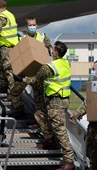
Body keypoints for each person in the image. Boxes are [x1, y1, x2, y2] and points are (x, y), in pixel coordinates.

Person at [32, 41, 75, 170]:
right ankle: (50, 141)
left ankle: (69, 161)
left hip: (56, 101)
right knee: (40, 115)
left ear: (55, 52)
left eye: (53, 50)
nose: (51, 51)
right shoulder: (66, 63)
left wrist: (22, 78)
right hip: (61, 100)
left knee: (60, 130)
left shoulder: (49, 67)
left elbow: (37, 79)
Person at [0, 0, 25, 114]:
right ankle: (3, 86)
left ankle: (11, 93)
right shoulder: (10, 15)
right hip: (9, 46)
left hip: (7, 48)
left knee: (8, 70)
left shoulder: (1, 17)